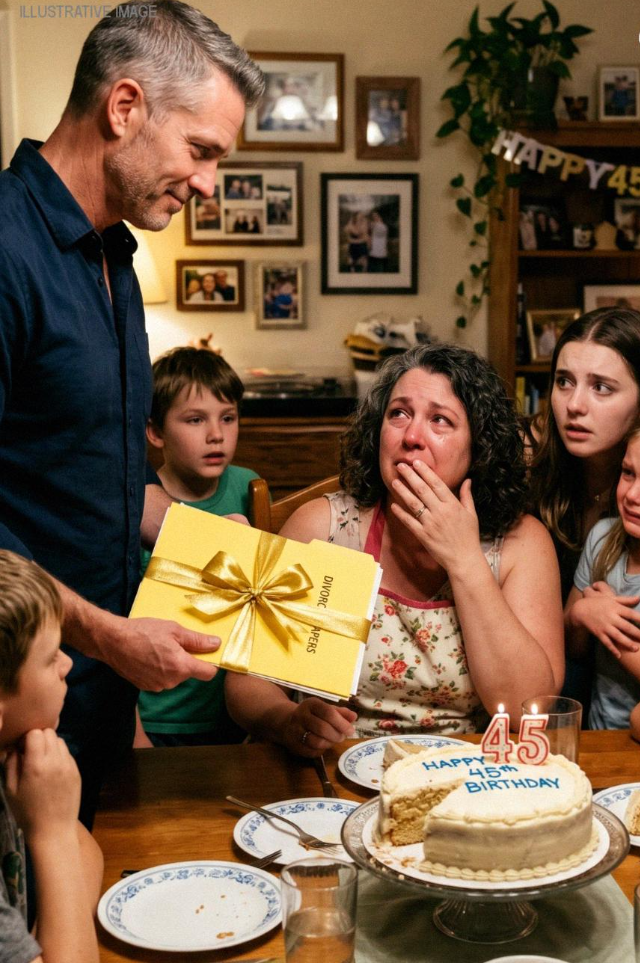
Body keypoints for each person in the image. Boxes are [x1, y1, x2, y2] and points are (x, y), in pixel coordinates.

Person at [0, 0, 264, 824]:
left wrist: (226, 551)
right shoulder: (7, 249)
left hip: (101, 703)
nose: (208, 183)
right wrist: (107, 634)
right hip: (22, 703)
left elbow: (90, 470)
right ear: (124, 107)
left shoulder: (117, 252)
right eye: (200, 150)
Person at [226, 343, 564, 756]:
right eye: (399, 414)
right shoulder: (324, 529)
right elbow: (246, 681)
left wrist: (464, 560)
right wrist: (287, 720)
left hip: (466, 769)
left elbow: (526, 709)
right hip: (335, 764)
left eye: (440, 420)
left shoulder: (520, 544)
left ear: (479, 448)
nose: (411, 437)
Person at [137, 348, 258, 747]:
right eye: (195, 419)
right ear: (155, 432)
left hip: (235, 713)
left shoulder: (249, 487)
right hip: (161, 719)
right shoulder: (136, 509)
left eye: (228, 417)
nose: (216, 434)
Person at [528, 308, 640, 709]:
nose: (574, 405)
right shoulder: (525, 463)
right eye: (564, 381)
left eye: (602, 387)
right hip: (536, 679)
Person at [0, 550, 103, 963]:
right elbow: (68, 843)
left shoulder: (13, 754)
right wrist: (51, 834)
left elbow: (85, 850)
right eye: (50, 656)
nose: (68, 663)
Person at [565, 424, 640, 729]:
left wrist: (609, 625)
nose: (633, 495)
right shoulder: (602, 539)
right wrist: (580, 615)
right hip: (600, 737)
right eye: (628, 473)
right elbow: (573, 647)